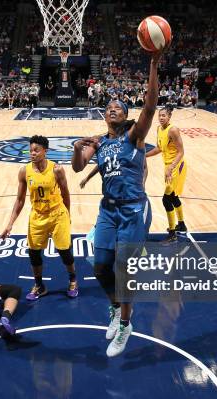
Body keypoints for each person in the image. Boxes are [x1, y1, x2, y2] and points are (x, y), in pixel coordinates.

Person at [71, 50, 163, 357]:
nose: (113, 109)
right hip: (108, 209)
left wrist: (152, 64)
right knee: (99, 267)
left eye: (118, 107)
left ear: (126, 115)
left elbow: (150, 105)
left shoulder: (135, 138)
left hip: (134, 208)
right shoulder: (100, 143)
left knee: (124, 271)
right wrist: (76, 147)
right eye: (109, 107)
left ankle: (125, 324)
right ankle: (114, 308)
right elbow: (76, 167)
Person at [0, 135, 78, 300]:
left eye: (36, 150)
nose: (32, 153)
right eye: (30, 150)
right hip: (37, 215)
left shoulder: (56, 169)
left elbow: (66, 194)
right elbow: (20, 199)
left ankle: (73, 280)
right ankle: (39, 285)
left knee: (64, 251)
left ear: (45, 151)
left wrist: (68, 215)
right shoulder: (24, 171)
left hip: (57, 214)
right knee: (34, 253)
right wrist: (10, 224)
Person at [146, 106, 187, 242]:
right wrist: (144, 156)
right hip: (169, 166)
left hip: (177, 165)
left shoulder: (173, 130)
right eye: (160, 115)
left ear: (169, 117)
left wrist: (171, 166)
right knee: (173, 197)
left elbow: (181, 152)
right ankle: (181, 224)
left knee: (166, 199)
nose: (161, 117)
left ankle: (172, 233)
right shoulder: (159, 129)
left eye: (164, 115)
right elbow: (159, 148)